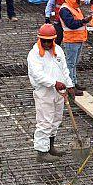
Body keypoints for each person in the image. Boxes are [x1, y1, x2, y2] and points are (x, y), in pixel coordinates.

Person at [27, 23, 72, 162]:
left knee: (56, 120)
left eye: (49, 41)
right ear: (39, 39)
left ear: (54, 39)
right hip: (44, 92)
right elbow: (37, 75)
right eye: (44, 41)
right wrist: (54, 83)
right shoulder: (34, 54)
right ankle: (41, 152)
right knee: (44, 122)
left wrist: (70, 85)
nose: (46, 43)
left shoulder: (58, 50)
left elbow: (64, 69)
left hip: (59, 92)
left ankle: (50, 147)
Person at [57, 0, 92, 86]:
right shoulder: (65, 9)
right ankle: (70, 85)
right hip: (71, 40)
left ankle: (74, 82)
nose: (81, 3)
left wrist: (84, 21)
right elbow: (71, 24)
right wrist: (84, 21)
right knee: (70, 64)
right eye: (79, 1)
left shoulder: (75, 8)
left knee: (74, 64)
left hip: (78, 39)